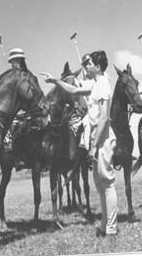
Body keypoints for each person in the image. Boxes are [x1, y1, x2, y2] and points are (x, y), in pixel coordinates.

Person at [41, 50, 118, 236]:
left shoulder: (103, 85)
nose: (85, 67)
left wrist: (93, 146)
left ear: (97, 67)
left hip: (103, 138)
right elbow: (74, 90)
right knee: (100, 185)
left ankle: (112, 228)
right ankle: (104, 225)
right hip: (95, 138)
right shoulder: (96, 84)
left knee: (107, 183)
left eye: (88, 64)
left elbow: (104, 119)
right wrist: (56, 82)